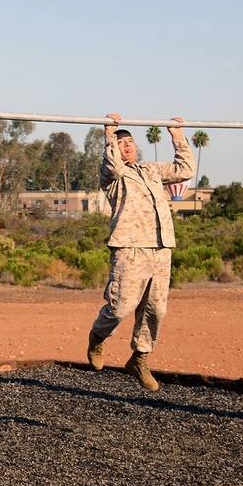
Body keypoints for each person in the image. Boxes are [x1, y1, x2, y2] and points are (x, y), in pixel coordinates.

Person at [86, 113, 196, 390]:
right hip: (130, 247)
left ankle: (140, 358)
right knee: (120, 307)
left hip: (161, 248)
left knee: (155, 309)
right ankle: (98, 338)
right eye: (122, 143)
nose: (128, 146)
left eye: (131, 142)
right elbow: (111, 162)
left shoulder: (150, 170)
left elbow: (184, 171)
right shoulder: (113, 175)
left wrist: (178, 138)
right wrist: (109, 135)